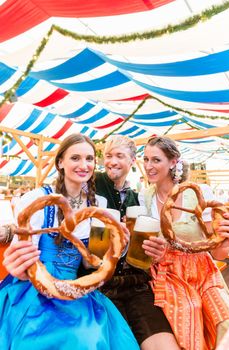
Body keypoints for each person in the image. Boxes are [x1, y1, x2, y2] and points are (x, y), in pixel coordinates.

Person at [0, 133, 139, 350]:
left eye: (90, 159)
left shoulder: (99, 205)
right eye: (75, 158)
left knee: (89, 337)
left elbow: (91, 263)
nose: (84, 165)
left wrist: (117, 247)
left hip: (76, 288)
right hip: (33, 287)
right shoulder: (37, 199)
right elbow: (23, 255)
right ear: (60, 163)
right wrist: (17, 264)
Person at [139, 136, 229, 350]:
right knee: (187, 317)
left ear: (173, 162)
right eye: (145, 159)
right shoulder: (144, 197)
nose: (148, 166)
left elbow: (217, 253)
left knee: (226, 319)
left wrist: (227, 238)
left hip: (203, 271)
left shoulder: (199, 193)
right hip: (167, 273)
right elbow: (146, 248)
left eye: (156, 160)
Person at [95, 135, 180, 350]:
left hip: (137, 282)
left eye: (119, 156)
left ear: (133, 161)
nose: (112, 161)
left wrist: (155, 250)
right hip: (101, 284)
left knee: (166, 345)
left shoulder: (138, 198)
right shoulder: (92, 183)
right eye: (108, 155)